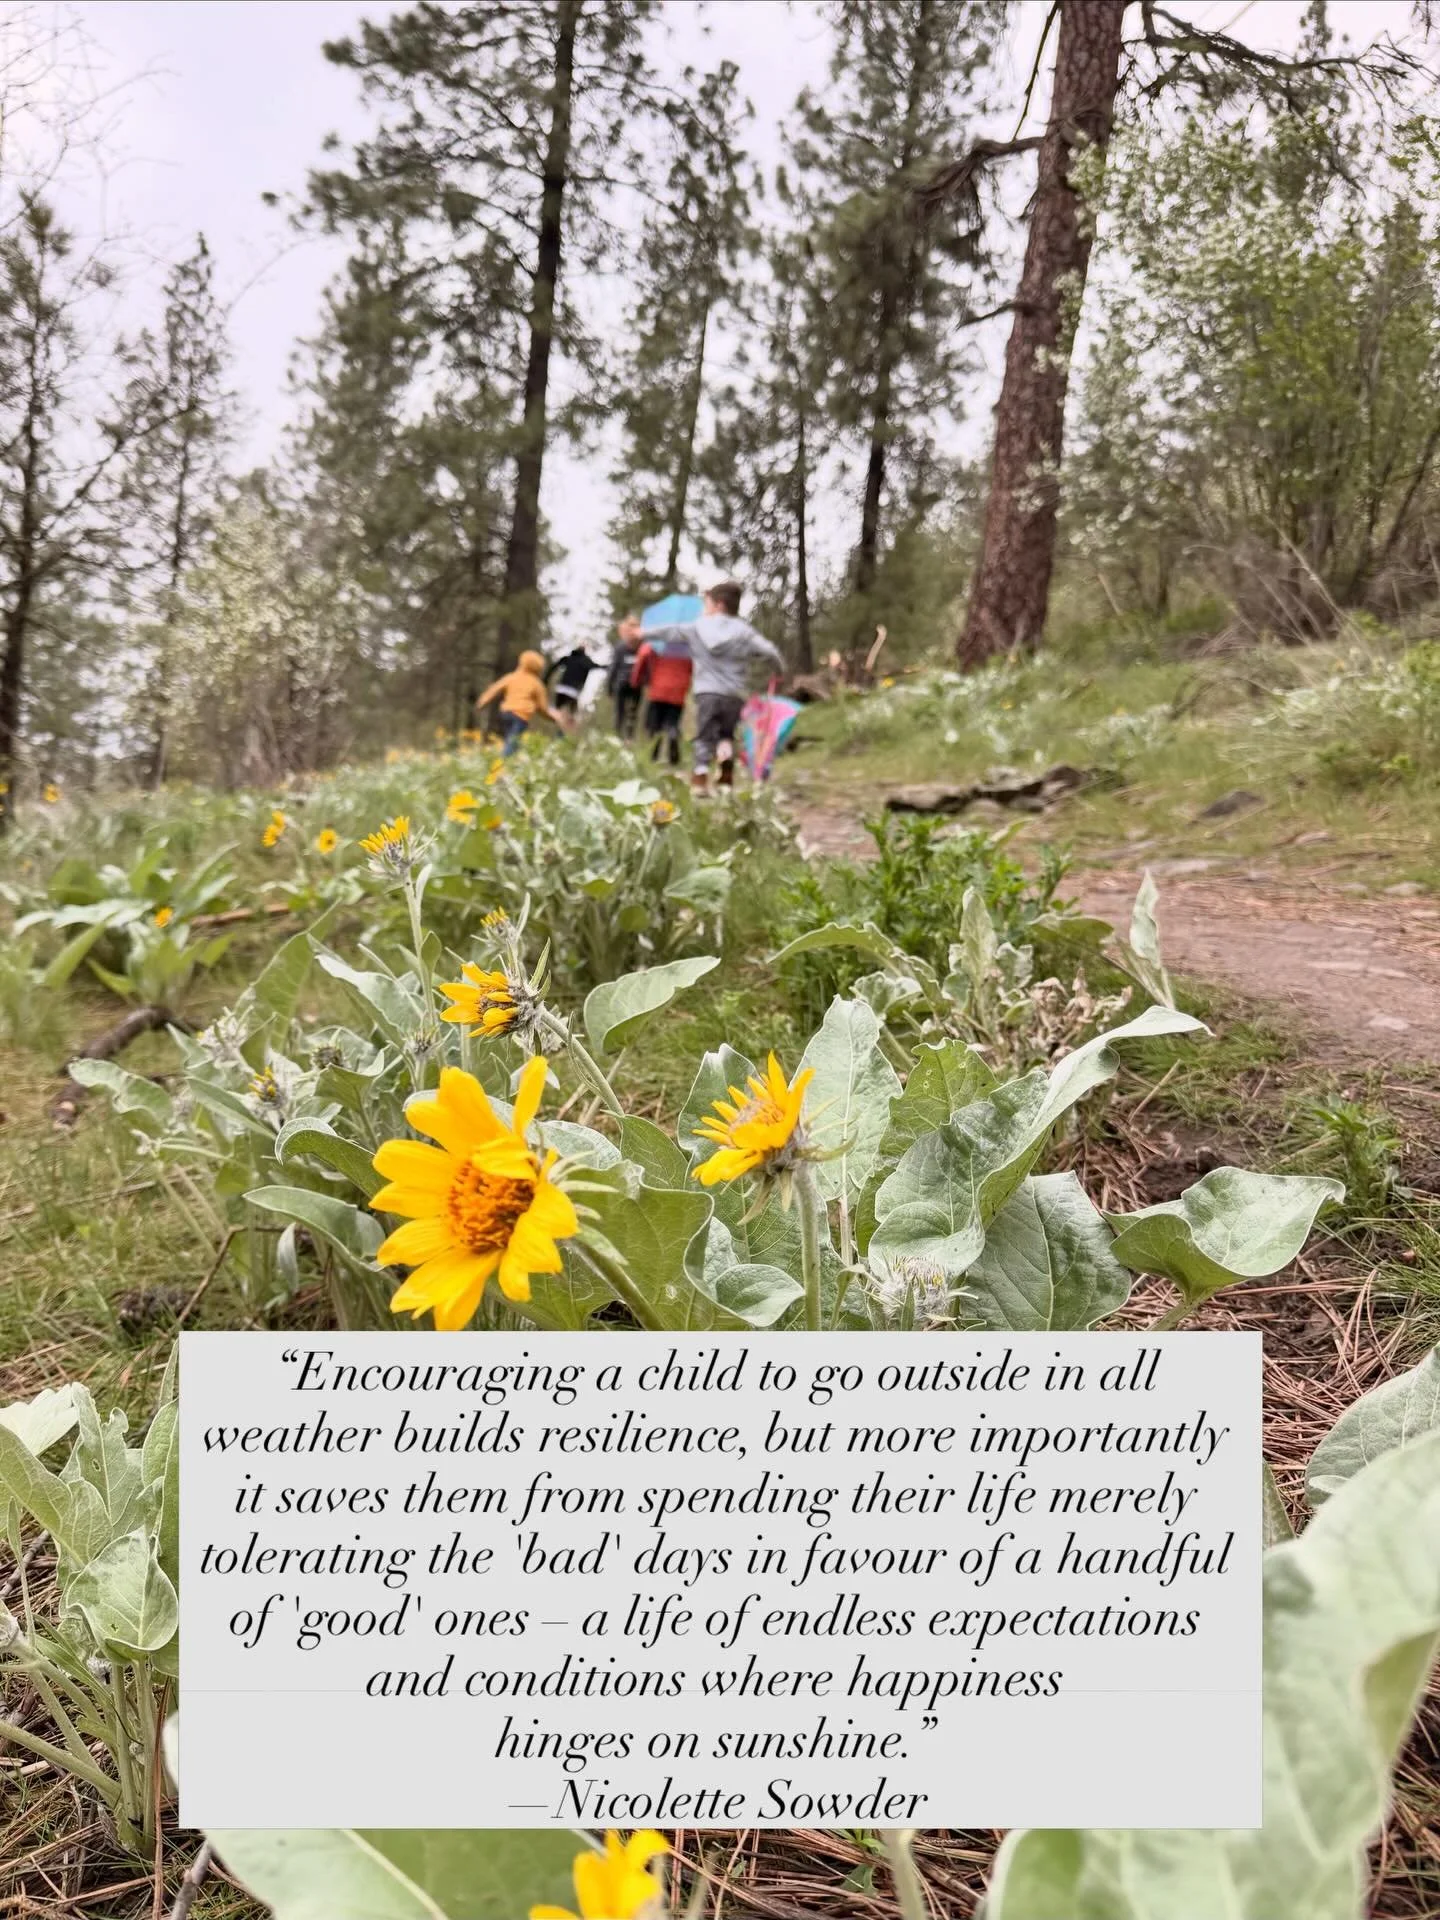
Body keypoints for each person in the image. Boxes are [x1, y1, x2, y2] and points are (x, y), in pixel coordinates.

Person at [641, 580, 784, 793]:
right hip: (735, 694)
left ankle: (700, 778)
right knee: (725, 734)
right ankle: (725, 774)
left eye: (706, 603)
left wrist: (641, 634)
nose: (703, 608)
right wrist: (778, 669)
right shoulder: (744, 631)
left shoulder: (697, 626)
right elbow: (770, 651)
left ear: (718, 604)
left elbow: (669, 632)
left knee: (705, 735)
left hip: (707, 692)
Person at [630, 630, 693, 766]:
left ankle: (653, 756)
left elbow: (642, 657)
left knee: (654, 725)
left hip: (658, 689)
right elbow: (693, 669)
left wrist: (636, 681)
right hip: (678, 692)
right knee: (672, 722)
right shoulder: (688, 648)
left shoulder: (656, 645)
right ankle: (673, 747)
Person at [475, 649, 553, 756]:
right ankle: (503, 765)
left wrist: (482, 702)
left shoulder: (511, 677)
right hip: (521, 716)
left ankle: (506, 763)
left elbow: (494, 689)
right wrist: (552, 718)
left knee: (510, 740)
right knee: (512, 743)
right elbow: (542, 708)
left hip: (506, 713)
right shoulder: (537, 684)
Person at [544, 643, 603, 733]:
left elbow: (554, 666)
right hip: (573, 692)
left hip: (561, 689)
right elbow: (597, 666)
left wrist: (545, 679)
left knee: (558, 710)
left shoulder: (569, 658)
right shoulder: (585, 661)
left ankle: (556, 729)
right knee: (571, 714)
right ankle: (564, 733)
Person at [608, 614, 644, 739]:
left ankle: (617, 737)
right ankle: (629, 738)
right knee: (633, 713)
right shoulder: (642, 645)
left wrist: (610, 687)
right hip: (636, 684)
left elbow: (613, 668)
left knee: (620, 713)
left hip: (622, 683)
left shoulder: (621, 646)